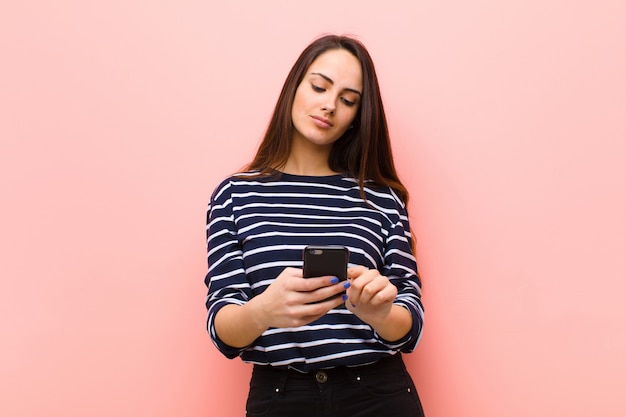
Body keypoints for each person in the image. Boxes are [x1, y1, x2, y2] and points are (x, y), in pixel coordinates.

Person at [204, 34, 425, 417]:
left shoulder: (382, 198)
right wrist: (263, 312)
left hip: (377, 393)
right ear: (295, 87)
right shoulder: (233, 195)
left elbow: (411, 320)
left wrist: (380, 314)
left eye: (348, 100)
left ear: (358, 115)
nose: (329, 106)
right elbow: (222, 326)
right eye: (320, 87)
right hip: (281, 396)